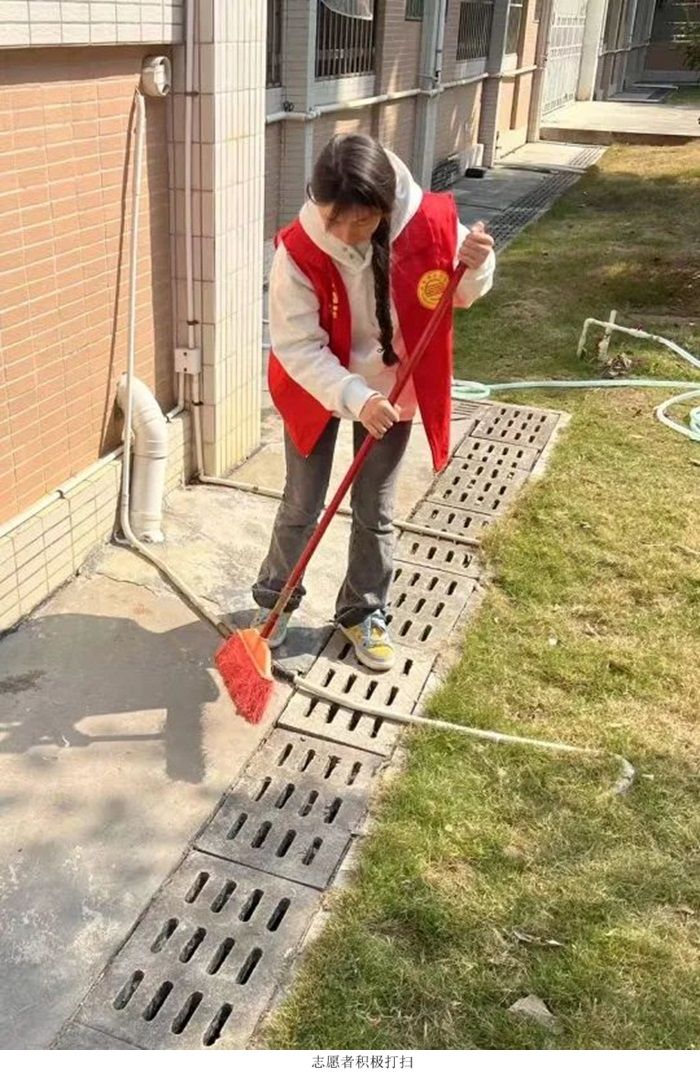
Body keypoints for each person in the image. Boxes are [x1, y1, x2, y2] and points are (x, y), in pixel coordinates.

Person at [252, 133, 495, 671]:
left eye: (360, 221)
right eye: (333, 219)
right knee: (302, 501)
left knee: (375, 508)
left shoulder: (429, 223)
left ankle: (362, 610)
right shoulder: (298, 250)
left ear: (385, 206)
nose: (344, 235)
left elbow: (462, 291)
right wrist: (354, 396)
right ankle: (275, 601)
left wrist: (477, 265)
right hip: (317, 384)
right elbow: (297, 346)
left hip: (393, 386)